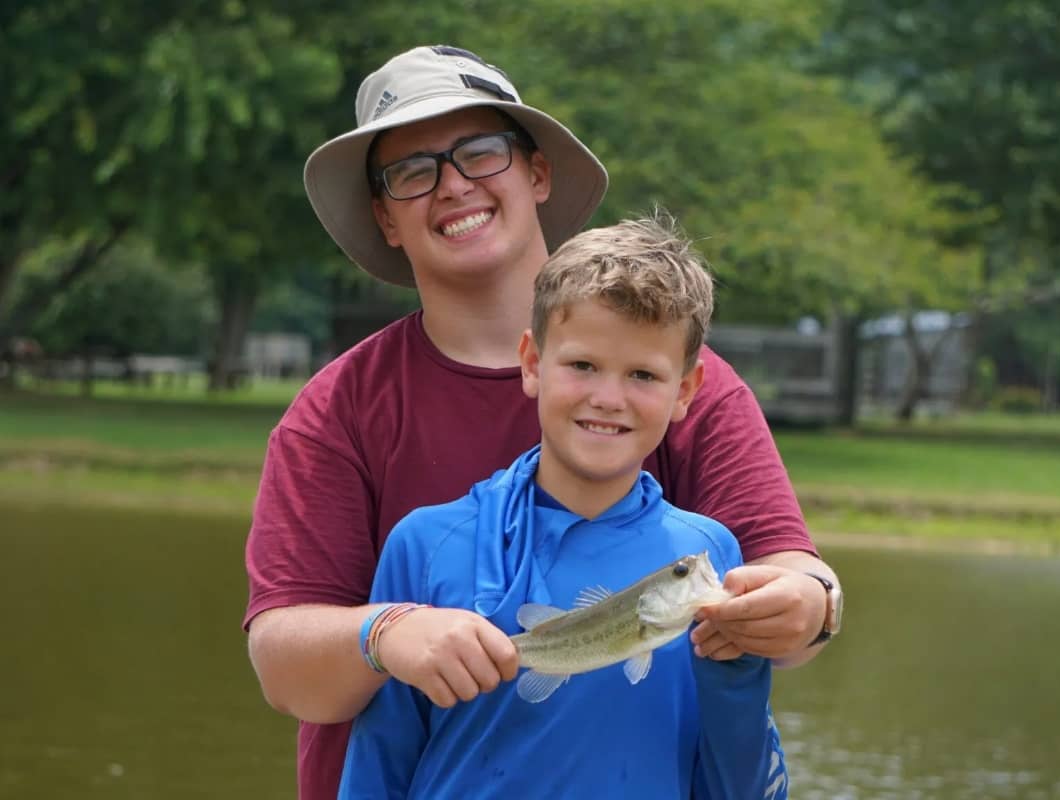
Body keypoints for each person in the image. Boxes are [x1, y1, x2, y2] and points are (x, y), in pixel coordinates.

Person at [244, 44, 841, 799]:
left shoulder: (687, 385)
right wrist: (384, 634)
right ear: (385, 217)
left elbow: (786, 573)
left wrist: (813, 605)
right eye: (412, 171)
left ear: (537, 172)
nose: (453, 185)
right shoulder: (336, 412)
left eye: (480, 152)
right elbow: (286, 669)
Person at [338, 216, 789, 799]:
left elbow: (737, 779)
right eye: (582, 365)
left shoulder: (712, 554)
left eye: (644, 375)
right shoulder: (424, 544)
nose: (608, 398)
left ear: (685, 391)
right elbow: (380, 763)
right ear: (531, 363)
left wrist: (741, 667)